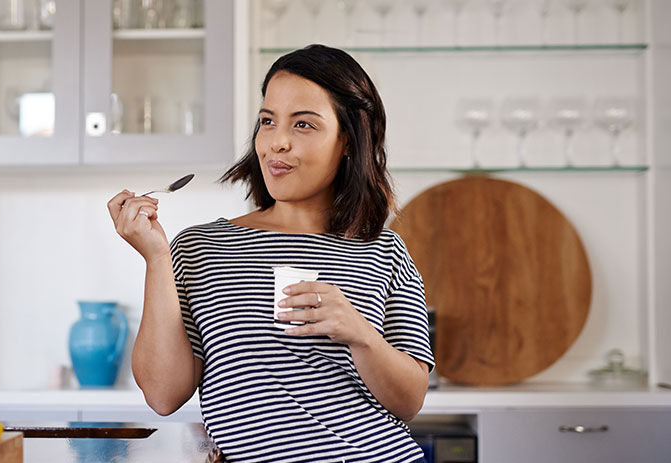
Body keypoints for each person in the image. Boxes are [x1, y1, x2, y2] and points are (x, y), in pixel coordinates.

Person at [107, 44, 433, 463]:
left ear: (348, 140)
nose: (276, 142)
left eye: (303, 125)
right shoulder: (200, 248)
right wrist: (155, 257)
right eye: (267, 121)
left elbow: (410, 401)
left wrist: (359, 333)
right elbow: (163, 394)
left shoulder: (384, 250)